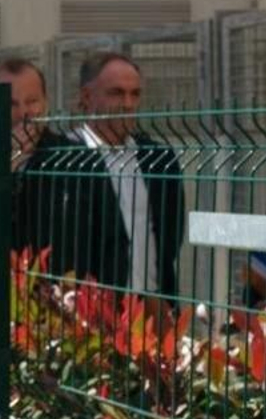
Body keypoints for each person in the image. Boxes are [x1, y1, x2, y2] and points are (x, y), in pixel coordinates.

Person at [23, 52, 185, 298]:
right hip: (89, 310)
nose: (128, 104)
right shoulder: (61, 161)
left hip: (152, 305)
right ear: (87, 97)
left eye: (135, 94)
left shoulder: (157, 158)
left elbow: (171, 235)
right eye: (116, 93)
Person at [0, 57, 69, 246]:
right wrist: (2, 168)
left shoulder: (70, 156)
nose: (23, 113)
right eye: (11, 104)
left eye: (32, 101)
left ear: (45, 103)